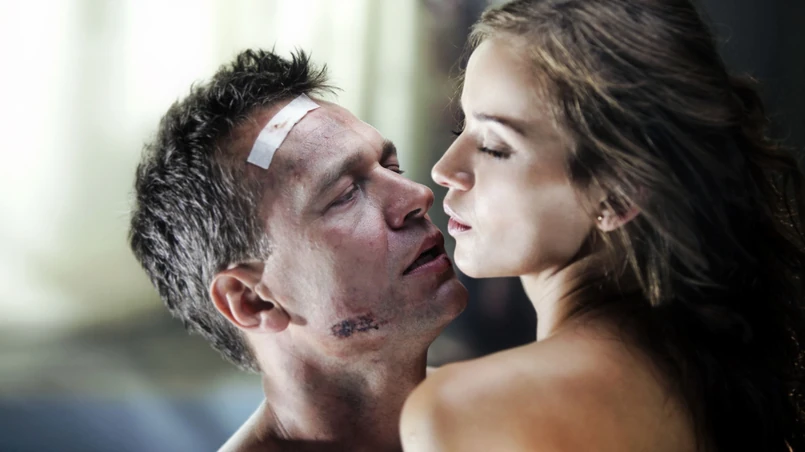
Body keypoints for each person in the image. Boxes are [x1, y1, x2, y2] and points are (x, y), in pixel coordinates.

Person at [400, 0, 805, 451]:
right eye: (461, 127)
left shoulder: (467, 413)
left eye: (494, 146)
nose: (444, 170)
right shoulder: (711, 383)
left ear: (618, 196)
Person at [128, 49, 467, 451]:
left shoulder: (508, 412)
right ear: (252, 300)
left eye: (391, 168)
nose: (417, 195)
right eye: (345, 195)